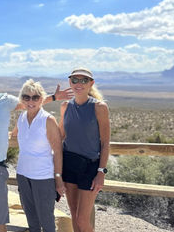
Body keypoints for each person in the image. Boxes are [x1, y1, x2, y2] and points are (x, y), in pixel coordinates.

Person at [0, 68, 72, 232]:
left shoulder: (9, 102)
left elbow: (31, 104)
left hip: (20, 171)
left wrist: (53, 97)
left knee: (39, 219)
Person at [59, 67, 110, 232]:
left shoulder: (99, 107)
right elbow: (59, 136)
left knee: (82, 219)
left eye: (84, 80)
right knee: (74, 216)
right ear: (70, 82)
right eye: (75, 80)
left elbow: (105, 143)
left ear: (91, 83)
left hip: (90, 167)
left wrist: (101, 172)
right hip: (69, 164)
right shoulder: (65, 106)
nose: (78, 83)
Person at [12, 79, 65, 232]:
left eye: (35, 97)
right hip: (22, 174)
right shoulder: (21, 118)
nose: (31, 101)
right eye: (26, 97)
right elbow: (14, 135)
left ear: (42, 99)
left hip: (43, 177)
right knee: (31, 219)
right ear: (22, 99)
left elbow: (58, 150)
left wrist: (58, 178)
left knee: (46, 220)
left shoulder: (48, 120)